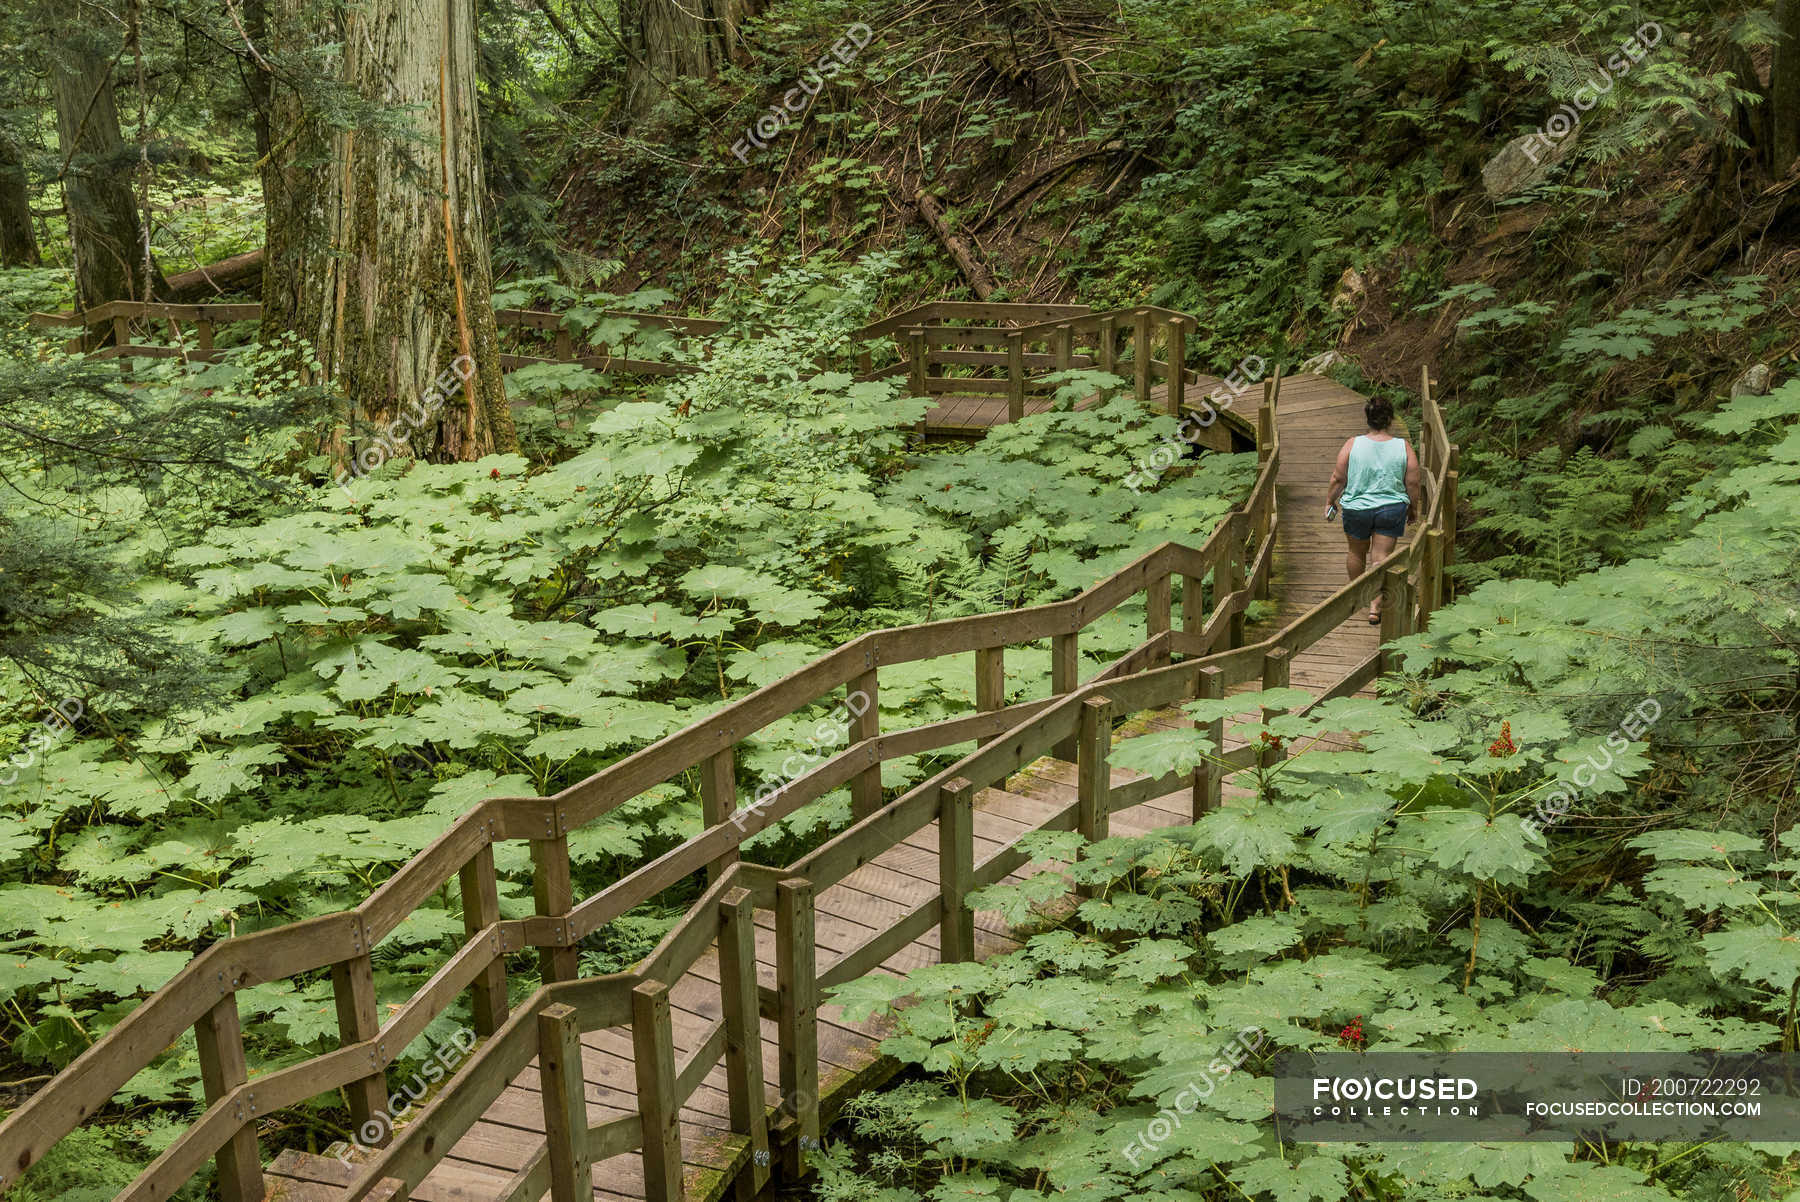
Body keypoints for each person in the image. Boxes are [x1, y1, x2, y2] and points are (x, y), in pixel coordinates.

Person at [1326, 396, 1421, 625]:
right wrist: (1413, 508)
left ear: (1368, 418)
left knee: (1356, 552)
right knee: (1381, 557)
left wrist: (1330, 501)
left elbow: (1338, 478)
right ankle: (1376, 605)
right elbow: (1413, 482)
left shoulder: (1352, 443)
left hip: (1357, 508)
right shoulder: (1402, 446)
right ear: (1391, 419)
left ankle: (1359, 596)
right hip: (1391, 508)